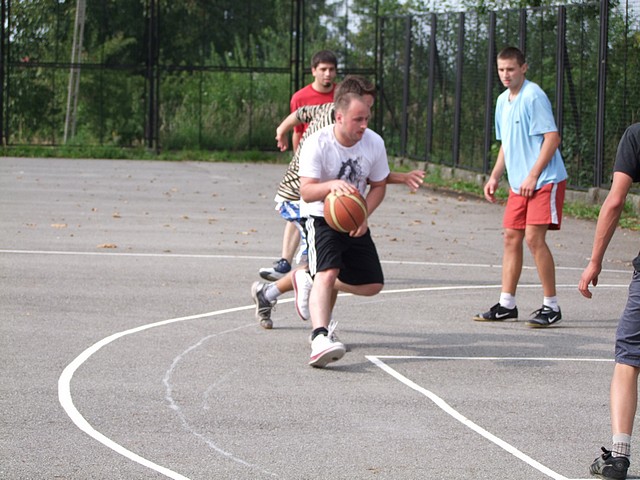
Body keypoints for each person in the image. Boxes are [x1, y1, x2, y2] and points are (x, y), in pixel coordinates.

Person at [251, 76, 424, 330]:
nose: (366, 120)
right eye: (362, 111)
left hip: (342, 207)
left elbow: (371, 175)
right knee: (325, 269)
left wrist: (367, 210)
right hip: (303, 197)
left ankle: (270, 292)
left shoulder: (368, 137)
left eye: (369, 112)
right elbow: (308, 186)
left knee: (329, 271)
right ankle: (320, 330)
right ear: (342, 110)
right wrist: (281, 132)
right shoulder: (324, 134)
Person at [473, 46, 568, 328]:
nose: (506, 74)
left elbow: (552, 138)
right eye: (501, 69)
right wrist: (494, 177)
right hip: (519, 184)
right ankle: (507, 304)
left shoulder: (533, 95)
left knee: (533, 239)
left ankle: (551, 306)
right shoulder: (502, 101)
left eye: (511, 69)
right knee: (511, 238)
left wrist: (532, 176)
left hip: (544, 179)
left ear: (523, 68)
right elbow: (506, 143)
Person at [297, 91, 390, 368]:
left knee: (373, 285)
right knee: (328, 273)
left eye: (367, 118)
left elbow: (379, 185)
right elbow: (306, 191)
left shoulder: (374, 142)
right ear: (339, 118)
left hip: (352, 217)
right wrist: (330, 186)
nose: (364, 125)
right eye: (358, 119)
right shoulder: (317, 143)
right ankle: (319, 337)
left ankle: (310, 276)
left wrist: (363, 216)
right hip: (320, 217)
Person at [579, 123, 640, 480]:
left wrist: (595, 260)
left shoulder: (636, 135)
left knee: (629, 357)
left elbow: (615, 200)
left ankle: (618, 456)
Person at [259, 50, 338, 282]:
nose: (327, 74)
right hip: (308, 160)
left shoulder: (342, 96)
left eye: (331, 69)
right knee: (299, 211)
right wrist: (299, 162)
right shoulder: (301, 97)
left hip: (331, 163)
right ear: (314, 71)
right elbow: (298, 129)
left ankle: (309, 264)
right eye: (323, 69)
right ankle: (288, 261)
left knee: (313, 215)